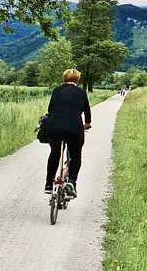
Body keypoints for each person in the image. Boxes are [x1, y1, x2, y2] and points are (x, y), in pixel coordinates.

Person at [44, 68, 91, 198]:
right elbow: (87, 111)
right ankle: (71, 182)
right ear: (77, 80)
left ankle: (48, 184)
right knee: (75, 155)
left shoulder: (56, 91)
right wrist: (87, 124)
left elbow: (50, 109)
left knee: (55, 153)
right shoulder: (81, 92)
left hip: (53, 128)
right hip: (74, 129)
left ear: (64, 78)